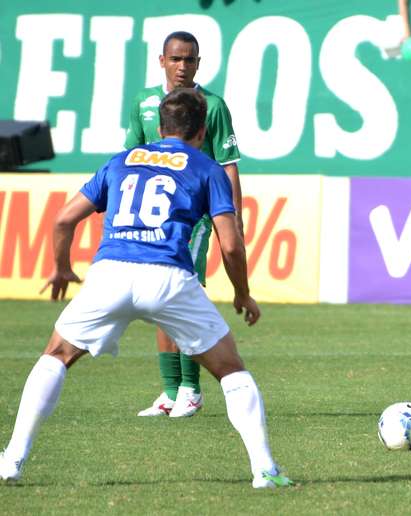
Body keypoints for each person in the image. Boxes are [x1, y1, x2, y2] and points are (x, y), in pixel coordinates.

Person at [0, 89, 291, 489]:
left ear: (160, 126)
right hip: (168, 278)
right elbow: (230, 243)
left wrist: (63, 268)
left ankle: (11, 460)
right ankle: (265, 471)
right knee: (230, 369)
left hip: (111, 273)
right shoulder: (207, 168)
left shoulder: (122, 161)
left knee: (56, 355)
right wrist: (242, 293)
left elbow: (65, 219)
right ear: (202, 130)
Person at [125, 31, 244, 418]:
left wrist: (233, 219)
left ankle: (191, 389)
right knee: (161, 300)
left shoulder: (213, 106)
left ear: (198, 63)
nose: (183, 66)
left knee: (181, 292)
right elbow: (132, 157)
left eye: (190, 59)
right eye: (176, 59)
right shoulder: (144, 103)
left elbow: (228, 166)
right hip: (154, 218)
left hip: (195, 218)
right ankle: (170, 391)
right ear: (162, 60)